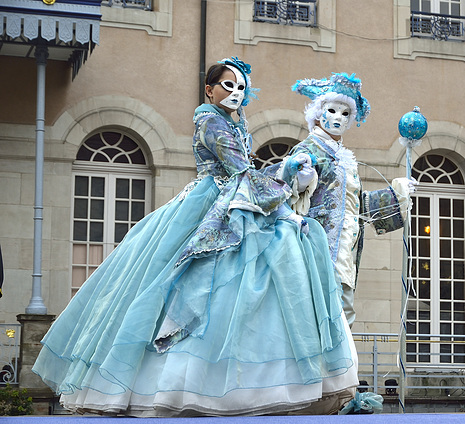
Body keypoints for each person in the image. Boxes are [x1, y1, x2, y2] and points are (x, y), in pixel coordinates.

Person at [32, 58, 358, 417]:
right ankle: (178, 387)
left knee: (243, 292)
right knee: (194, 283)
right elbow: (238, 169)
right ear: (209, 89)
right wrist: (283, 189)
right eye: (228, 85)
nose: (236, 92)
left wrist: (283, 174)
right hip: (211, 203)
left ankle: (239, 386)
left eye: (241, 87)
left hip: (235, 198)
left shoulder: (235, 121)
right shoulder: (210, 122)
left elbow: (246, 172)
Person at [270, 73, 414, 326]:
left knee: (343, 312)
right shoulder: (308, 150)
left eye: (345, 113)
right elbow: (283, 189)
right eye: (332, 110)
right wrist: (300, 178)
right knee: (319, 313)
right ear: (318, 113)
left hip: (346, 249)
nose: (338, 117)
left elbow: (358, 206)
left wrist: (398, 193)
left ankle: (337, 363)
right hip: (315, 247)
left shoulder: (345, 158)